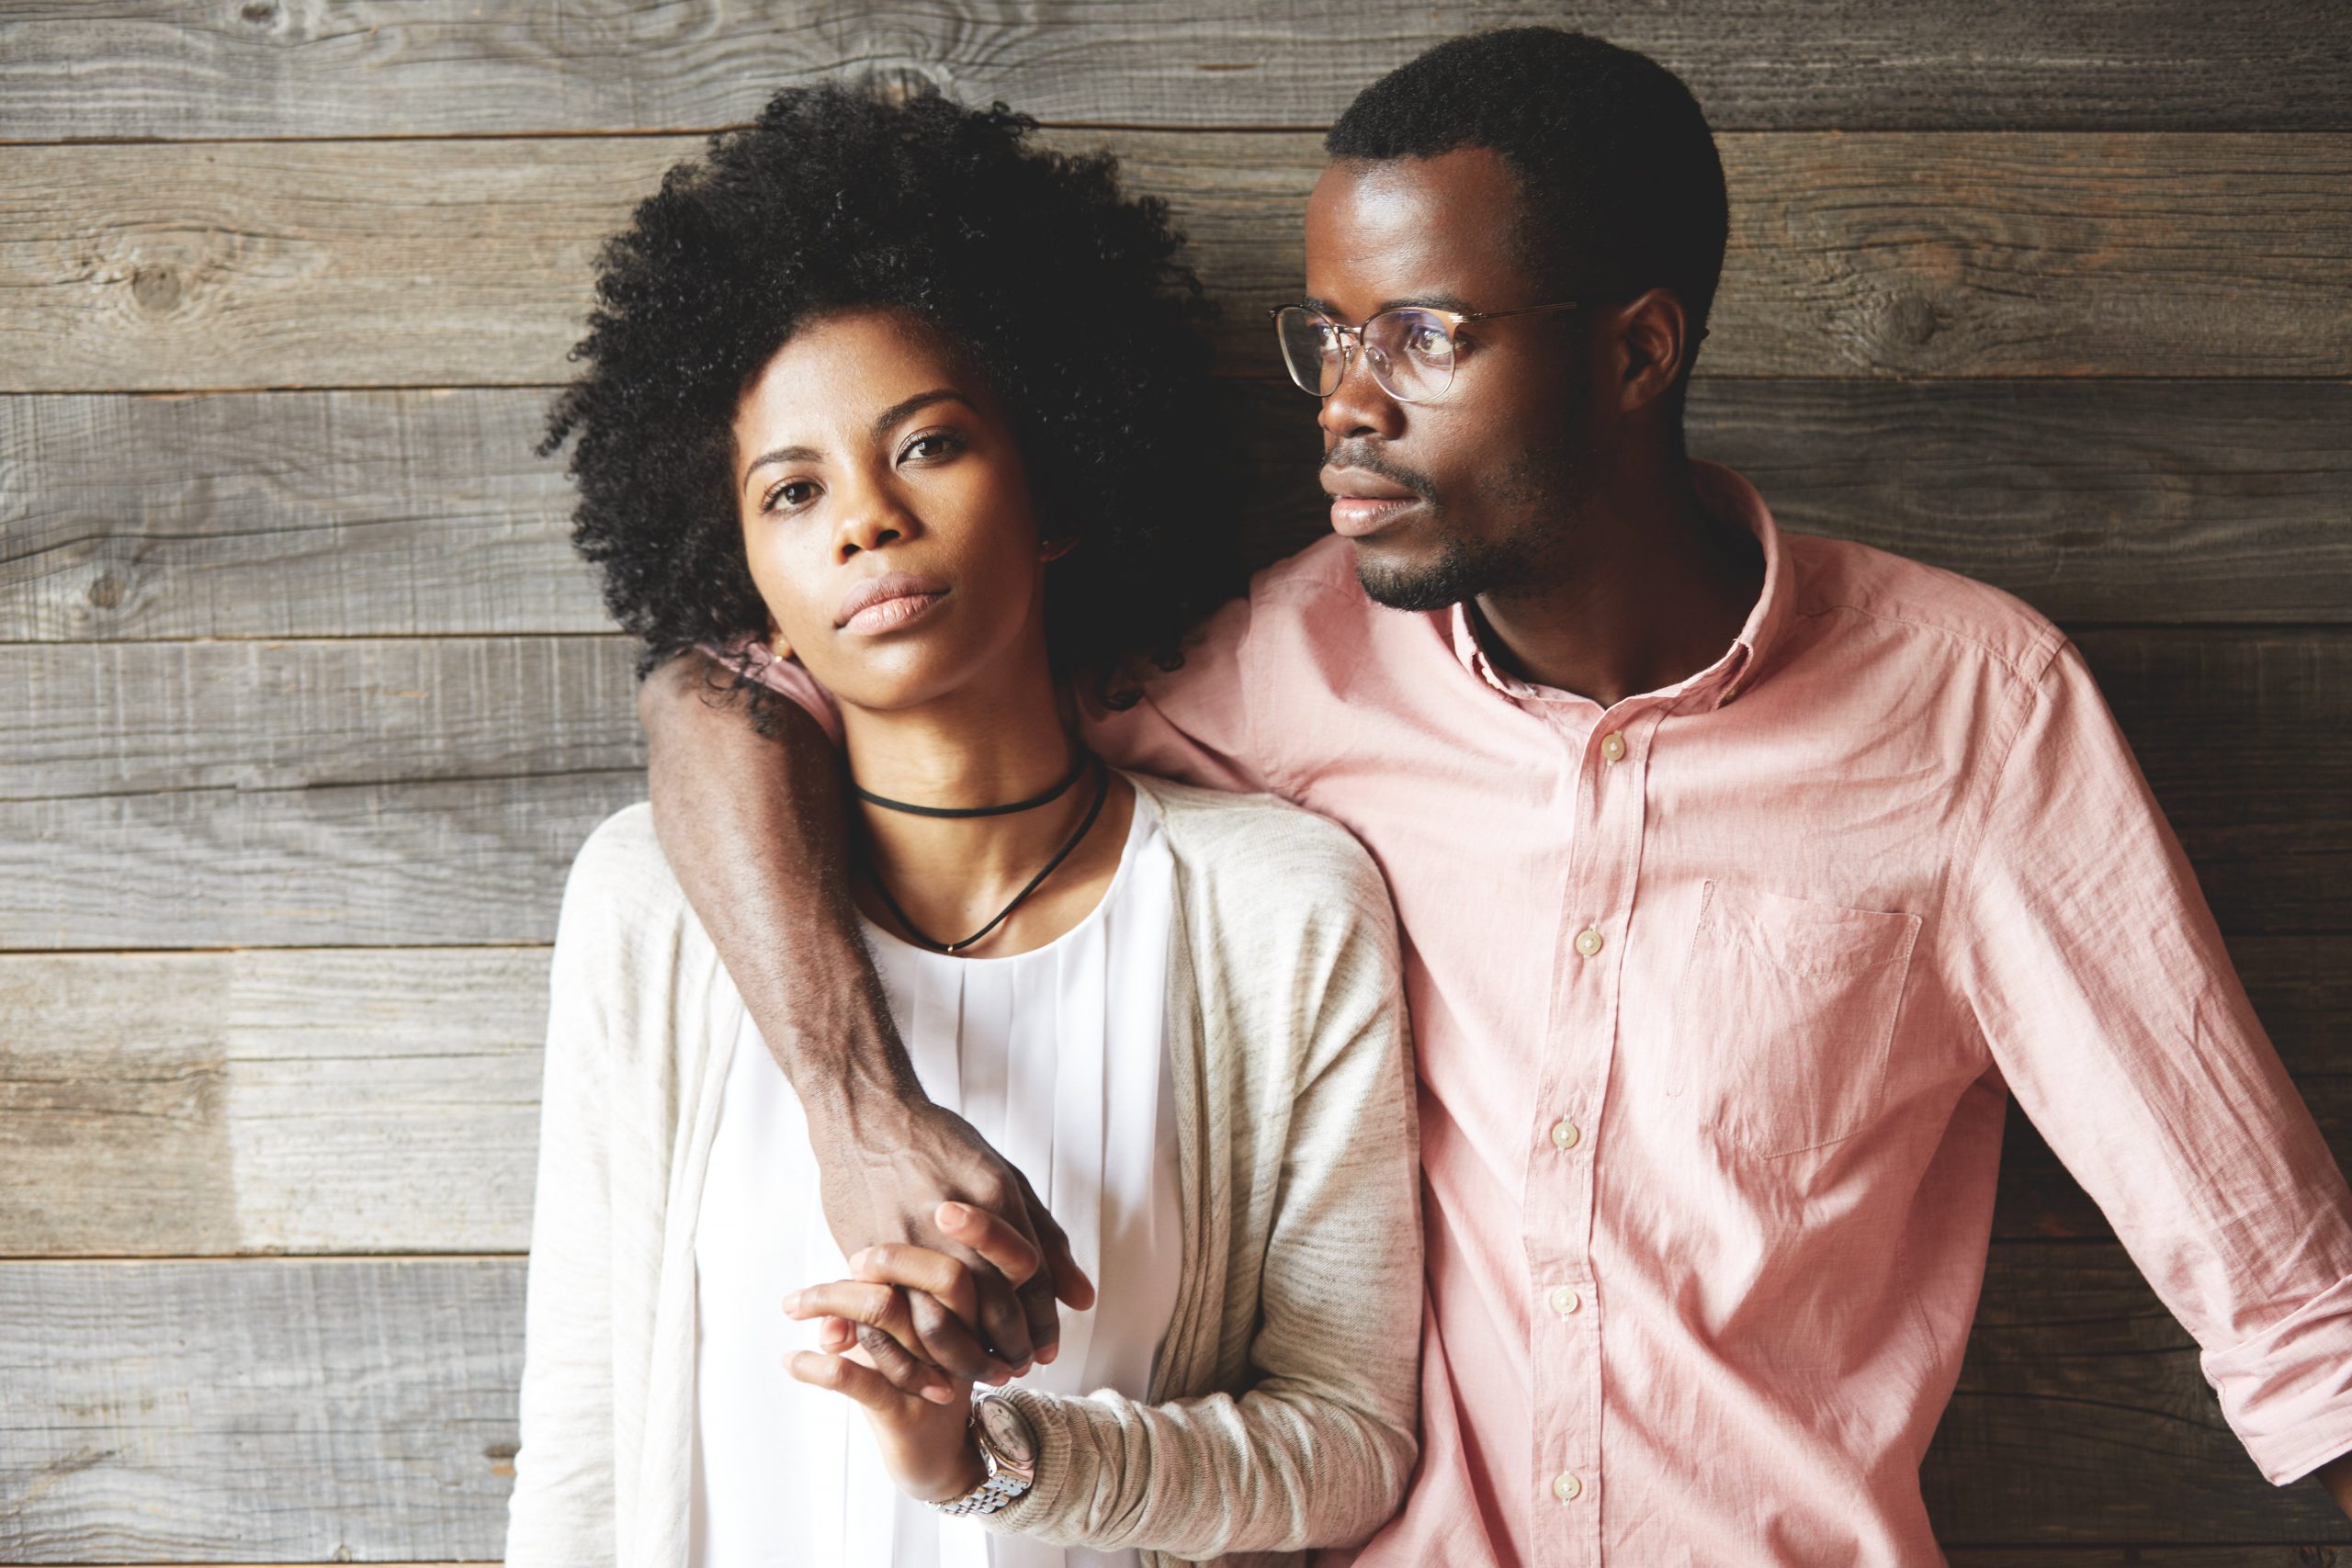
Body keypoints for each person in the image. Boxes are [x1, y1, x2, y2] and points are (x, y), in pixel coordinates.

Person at [636, 27, 2352, 1568]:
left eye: (1425, 336)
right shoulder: (1282, 665)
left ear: (1637, 351)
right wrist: (852, 1104)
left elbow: (2296, 1307)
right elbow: (740, 696)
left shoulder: (1971, 709)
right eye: (1326, 337)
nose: (1348, 408)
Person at [502, 82, 1422, 1568]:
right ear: (743, 572)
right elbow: (584, 1451)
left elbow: (1347, 1444)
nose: (864, 518)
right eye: (791, 491)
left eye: (927, 445)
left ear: (1056, 480)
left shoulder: (1280, 907)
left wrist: (985, 1457)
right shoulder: (650, 906)